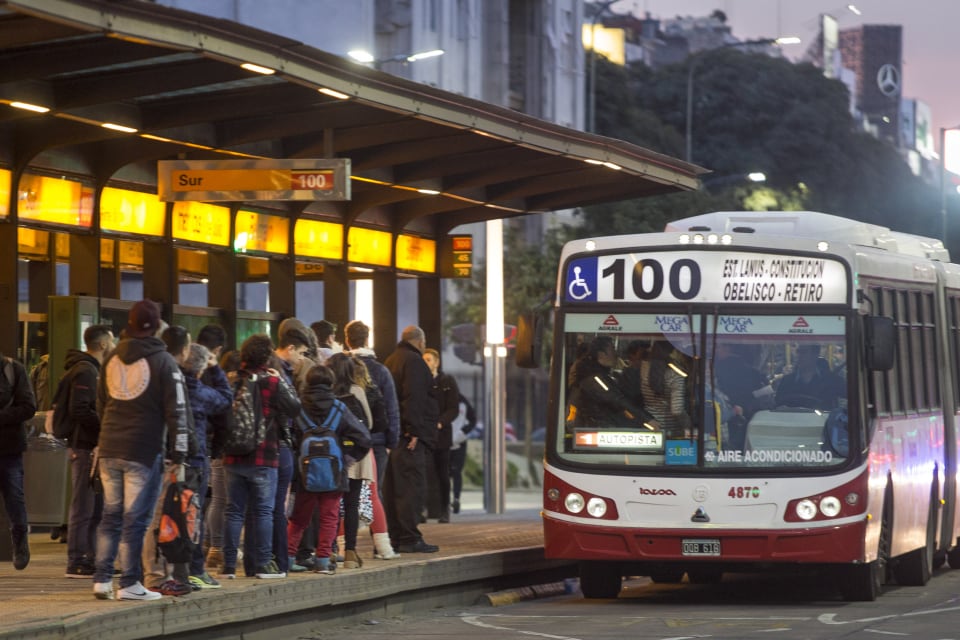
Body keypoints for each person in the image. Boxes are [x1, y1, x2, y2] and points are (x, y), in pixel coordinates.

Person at [93, 299, 189, 601]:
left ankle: (102, 579)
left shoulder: (111, 358)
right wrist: (179, 451)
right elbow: (177, 410)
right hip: (143, 449)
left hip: (109, 446)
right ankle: (130, 583)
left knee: (110, 516)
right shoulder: (164, 362)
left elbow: (100, 403)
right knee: (136, 519)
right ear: (157, 326)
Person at [221, 334, 301, 580]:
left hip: (233, 456)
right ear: (266, 357)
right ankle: (265, 564)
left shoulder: (230, 379)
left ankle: (227, 566)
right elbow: (295, 407)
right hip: (264, 456)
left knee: (233, 511)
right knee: (264, 511)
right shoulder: (271, 382)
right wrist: (281, 381)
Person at [287, 364, 370, 574]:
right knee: (329, 517)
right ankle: (323, 560)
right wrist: (347, 459)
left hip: (305, 473)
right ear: (330, 384)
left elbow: (288, 437)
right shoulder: (339, 408)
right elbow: (364, 438)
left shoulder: (298, 408)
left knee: (299, 518)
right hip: (334, 471)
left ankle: (287, 557)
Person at [142, 325, 198, 597]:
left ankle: (160, 574)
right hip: (165, 456)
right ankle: (155, 576)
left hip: (153, 452)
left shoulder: (148, 369)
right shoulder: (170, 372)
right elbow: (179, 416)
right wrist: (180, 453)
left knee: (158, 516)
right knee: (159, 516)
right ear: (185, 348)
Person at [62, 324, 114, 578]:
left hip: (90, 447)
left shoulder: (91, 369)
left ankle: (91, 557)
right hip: (83, 446)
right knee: (84, 505)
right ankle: (77, 559)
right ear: (103, 344)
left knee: (95, 506)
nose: (114, 346)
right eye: (111, 341)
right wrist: (106, 423)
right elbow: (79, 409)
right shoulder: (86, 371)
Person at [382, 326, 440, 554]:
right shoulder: (414, 362)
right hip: (410, 438)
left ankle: (396, 536)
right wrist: (413, 431)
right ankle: (409, 537)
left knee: (394, 488)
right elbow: (413, 397)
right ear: (420, 341)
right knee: (411, 488)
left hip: (396, 436)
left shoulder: (391, 360)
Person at [181, 342, 232, 590]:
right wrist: (217, 369)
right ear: (201, 370)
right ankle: (195, 570)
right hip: (196, 459)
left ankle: (169, 570)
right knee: (194, 514)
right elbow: (225, 399)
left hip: (168, 459)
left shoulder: (168, 388)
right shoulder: (199, 392)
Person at [326, 353, 374, 569]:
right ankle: (351, 553)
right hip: (354, 456)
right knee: (351, 503)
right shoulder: (356, 391)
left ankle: (329, 549)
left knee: (331, 503)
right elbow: (369, 423)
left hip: (331, 456)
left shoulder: (327, 393)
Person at [343, 319, 400, 489]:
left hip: (347, 440)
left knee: (348, 494)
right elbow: (392, 409)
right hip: (377, 442)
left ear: (347, 340)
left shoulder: (340, 368)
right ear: (367, 340)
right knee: (373, 492)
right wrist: (391, 442)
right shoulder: (381, 371)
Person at [566, 336, 656, 432]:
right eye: (612, 350)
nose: (616, 354)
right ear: (601, 354)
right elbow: (616, 398)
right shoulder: (594, 379)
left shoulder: (599, 374)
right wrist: (647, 419)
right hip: (589, 429)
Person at [0, 350, 37, 572]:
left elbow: (28, 406)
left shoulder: (12, 369)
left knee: (14, 498)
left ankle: (20, 541)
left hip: (9, 448)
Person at [422, 348, 459, 523]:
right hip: (425, 435)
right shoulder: (420, 382)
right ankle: (423, 510)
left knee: (443, 474)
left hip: (442, 436)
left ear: (436, 362)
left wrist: (440, 422)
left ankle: (445, 509)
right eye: (424, 360)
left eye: (429, 359)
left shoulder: (447, 381)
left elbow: (453, 408)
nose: (426, 363)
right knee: (423, 474)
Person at [638, 341, 691, 437]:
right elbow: (677, 410)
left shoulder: (643, 368)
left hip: (649, 425)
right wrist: (688, 424)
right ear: (673, 353)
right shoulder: (675, 375)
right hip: (670, 429)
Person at [775, 343, 845, 410]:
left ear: (815, 354)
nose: (799, 355)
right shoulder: (787, 381)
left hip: (822, 421)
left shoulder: (831, 380)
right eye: (798, 351)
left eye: (804, 352)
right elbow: (778, 405)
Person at [448, 393, 476, 515]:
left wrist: (463, 432)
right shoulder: (443, 401)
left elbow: (472, 420)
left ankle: (456, 498)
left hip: (459, 441)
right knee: (446, 473)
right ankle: (447, 500)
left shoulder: (463, 403)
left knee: (456, 471)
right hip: (445, 441)